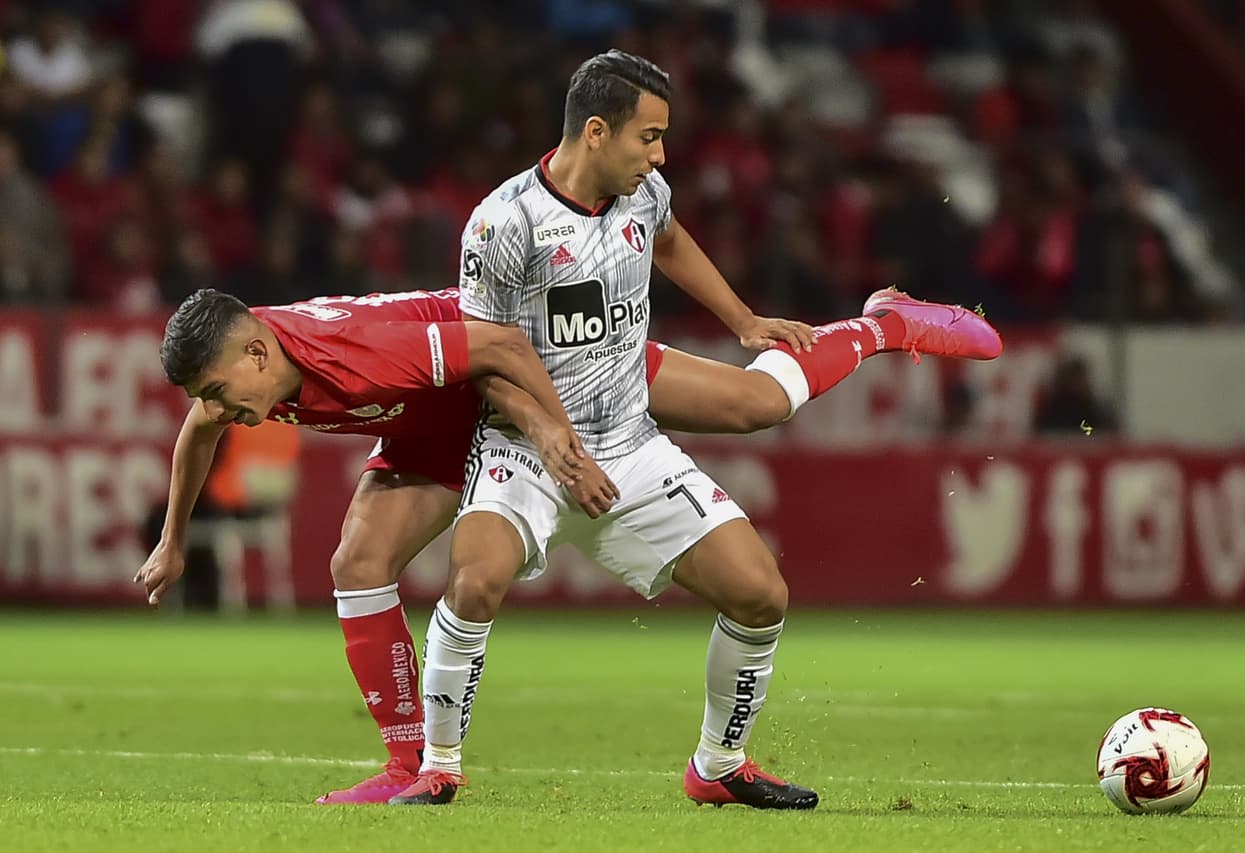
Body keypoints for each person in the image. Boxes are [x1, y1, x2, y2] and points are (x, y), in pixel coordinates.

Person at [386, 50, 1002, 811]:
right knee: (475, 580)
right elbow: (487, 358)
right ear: (597, 131)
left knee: (760, 592)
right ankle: (438, 766)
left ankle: (719, 764)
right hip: (530, 445)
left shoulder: (643, 191)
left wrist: (742, 319)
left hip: (629, 436)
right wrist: (554, 444)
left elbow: (669, 236)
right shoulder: (504, 222)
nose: (661, 154)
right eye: (649, 137)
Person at [140, 277, 999, 807]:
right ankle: (411, 764)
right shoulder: (242, 374)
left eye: (223, 389)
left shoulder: (358, 351)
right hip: (439, 429)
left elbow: (504, 346)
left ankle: (883, 323)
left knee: (751, 404)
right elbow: (199, 431)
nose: (221, 408)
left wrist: (560, 443)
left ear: (257, 349)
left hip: (548, 366)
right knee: (357, 563)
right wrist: (175, 541)